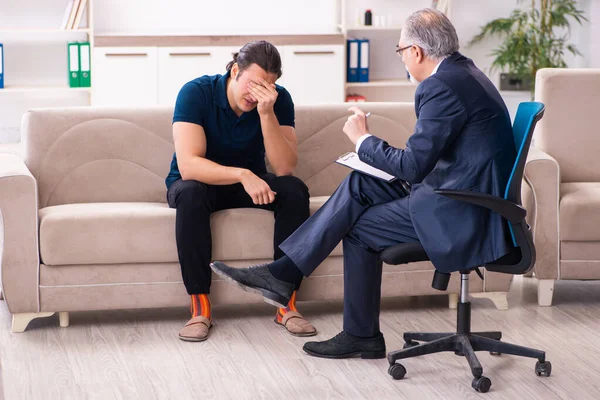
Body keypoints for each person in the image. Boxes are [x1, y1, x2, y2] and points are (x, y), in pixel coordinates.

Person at [211, 8, 518, 359]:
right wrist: (369, 155)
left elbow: (414, 166)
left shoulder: (440, 86)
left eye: (401, 51)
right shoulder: (464, 73)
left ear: (416, 52)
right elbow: (429, 160)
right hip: (462, 194)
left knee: (357, 227)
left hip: (463, 212)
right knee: (361, 183)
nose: (403, 60)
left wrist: (363, 141)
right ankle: (282, 275)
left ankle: (359, 334)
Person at [166, 40, 316, 342]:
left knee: (294, 190)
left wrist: (266, 114)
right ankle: (200, 307)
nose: (258, 93)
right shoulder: (196, 93)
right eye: (253, 84)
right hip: (200, 183)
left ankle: (285, 303)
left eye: (268, 86)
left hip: (248, 185)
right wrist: (242, 174)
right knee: (192, 193)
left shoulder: (277, 102)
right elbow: (189, 166)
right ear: (235, 70)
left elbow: (284, 167)